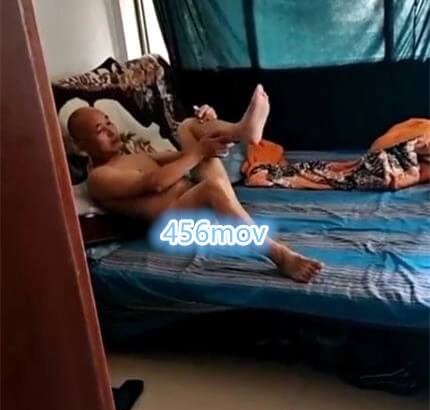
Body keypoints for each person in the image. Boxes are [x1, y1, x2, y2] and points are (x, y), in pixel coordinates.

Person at [67, 85, 322, 283]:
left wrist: (207, 127)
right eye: (99, 130)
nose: (110, 130)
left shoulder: (133, 156)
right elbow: (155, 183)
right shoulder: (99, 177)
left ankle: (243, 131)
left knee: (188, 126)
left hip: (197, 203)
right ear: (81, 145)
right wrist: (199, 151)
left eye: (108, 122)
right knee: (209, 186)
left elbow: (185, 156)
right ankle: (279, 255)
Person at [246, 119, 430, 190]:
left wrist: (407, 174)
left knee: (341, 175)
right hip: (385, 156)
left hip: (389, 165)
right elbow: (379, 148)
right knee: (336, 171)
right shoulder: (418, 127)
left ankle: (273, 173)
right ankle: (273, 172)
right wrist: (414, 147)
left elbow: (409, 177)